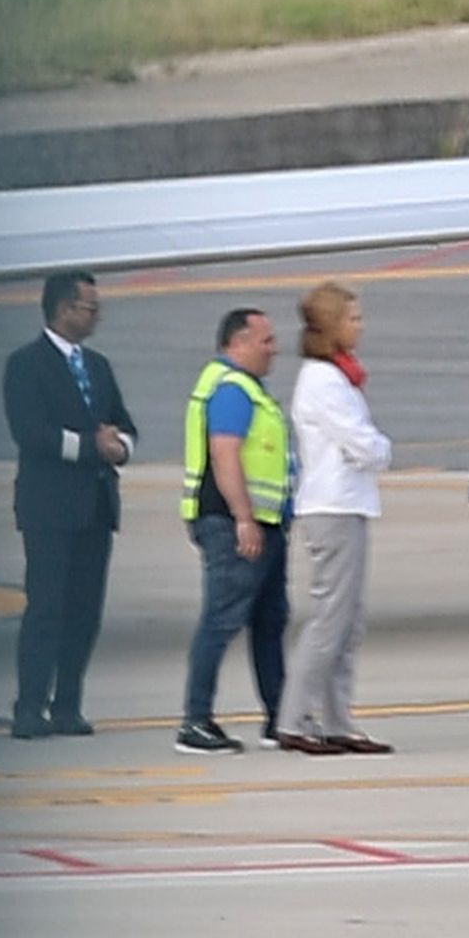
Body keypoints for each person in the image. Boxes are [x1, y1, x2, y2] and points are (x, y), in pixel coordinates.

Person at [1, 271, 137, 739]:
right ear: (63, 309)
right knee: (46, 608)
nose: (96, 314)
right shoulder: (25, 364)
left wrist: (120, 448)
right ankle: (29, 706)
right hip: (49, 509)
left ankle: (68, 705)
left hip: (96, 507)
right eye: (89, 307)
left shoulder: (97, 366)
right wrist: (90, 447)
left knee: (84, 611)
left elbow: (125, 426)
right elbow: (31, 434)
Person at [278, 283, 393, 756]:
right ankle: (295, 717)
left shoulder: (337, 377)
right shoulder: (324, 381)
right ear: (331, 326)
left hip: (347, 504)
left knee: (348, 620)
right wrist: (382, 448)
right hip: (334, 506)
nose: (360, 325)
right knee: (330, 619)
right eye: (353, 317)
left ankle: (336, 718)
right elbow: (363, 444)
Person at [176, 308, 292, 755]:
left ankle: (279, 716)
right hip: (234, 525)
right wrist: (244, 517)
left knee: (269, 620)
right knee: (221, 620)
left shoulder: (241, 388)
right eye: (266, 341)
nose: (274, 349)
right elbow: (225, 454)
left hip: (259, 523)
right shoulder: (231, 390)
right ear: (238, 343)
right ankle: (196, 720)